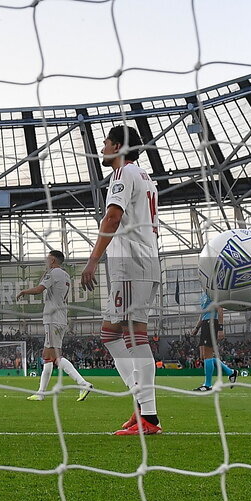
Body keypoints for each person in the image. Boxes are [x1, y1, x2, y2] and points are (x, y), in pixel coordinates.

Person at [80, 126, 162, 436]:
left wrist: (93, 260)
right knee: (110, 333)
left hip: (131, 263)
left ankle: (149, 417)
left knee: (133, 334)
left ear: (116, 145)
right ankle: (141, 405)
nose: (101, 149)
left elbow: (112, 217)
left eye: (104, 144)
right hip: (145, 259)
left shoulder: (123, 173)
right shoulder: (144, 177)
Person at [18, 250, 92, 401]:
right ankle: (41, 393)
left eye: (48, 258)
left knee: (54, 356)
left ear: (53, 260)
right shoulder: (65, 275)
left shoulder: (53, 273)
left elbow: (39, 289)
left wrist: (24, 291)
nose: (46, 260)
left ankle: (82, 383)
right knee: (48, 357)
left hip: (52, 318)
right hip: (61, 318)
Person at [191, 293, 237, 391]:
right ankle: (230, 372)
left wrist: (220, 328)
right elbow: (203, 313)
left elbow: (220, 309)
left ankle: (208, 385)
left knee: (208, 355)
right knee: (203, 356)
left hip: (211, 322)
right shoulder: (204, 295)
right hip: (205, 323)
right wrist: (197, 328)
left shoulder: (213, 292)